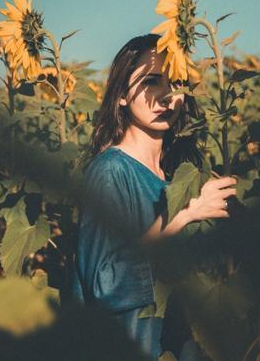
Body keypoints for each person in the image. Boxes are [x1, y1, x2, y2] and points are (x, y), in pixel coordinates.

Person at [67, 34, 237, 360]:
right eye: (151, 81)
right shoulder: (111, 171)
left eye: (175, 82)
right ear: (120, 96)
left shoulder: (174, 178)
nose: (166, 95)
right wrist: (183, 215)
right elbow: (106, 285)